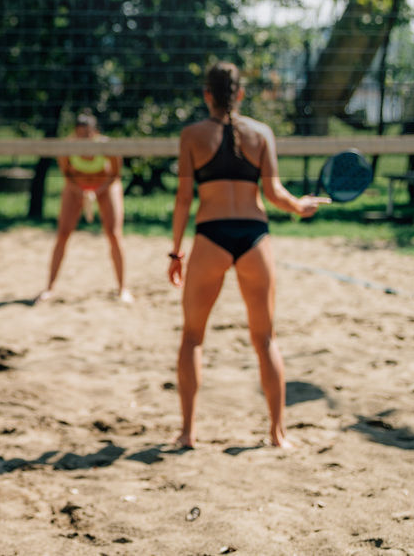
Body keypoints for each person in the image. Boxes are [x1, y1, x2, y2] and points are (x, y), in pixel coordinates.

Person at [168, 60, 324, 450]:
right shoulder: (262, 133)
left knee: (192, 338)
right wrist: (300, 206)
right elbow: (274, 194)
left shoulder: (191, 135)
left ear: (207, 95)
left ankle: (188, 433)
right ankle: (277, 433)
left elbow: (184, 198)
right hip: (254, 239)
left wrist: (175, 252)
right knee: (266, 339)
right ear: (239, 94)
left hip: (211, 236)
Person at [40, 113, 130, 302]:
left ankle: (123, 289)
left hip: (106, 187)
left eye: (87, 134)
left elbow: (115, 175)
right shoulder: (67, 148)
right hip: (76, 188)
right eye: (80, 134)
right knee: (63, 233)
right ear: (75, 133)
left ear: (94, 133)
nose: (83, 138)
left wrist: (98, 191)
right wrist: (80, 191)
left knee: (113, 233)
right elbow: (66, 175)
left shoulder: (106, 146)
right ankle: (49, 288)